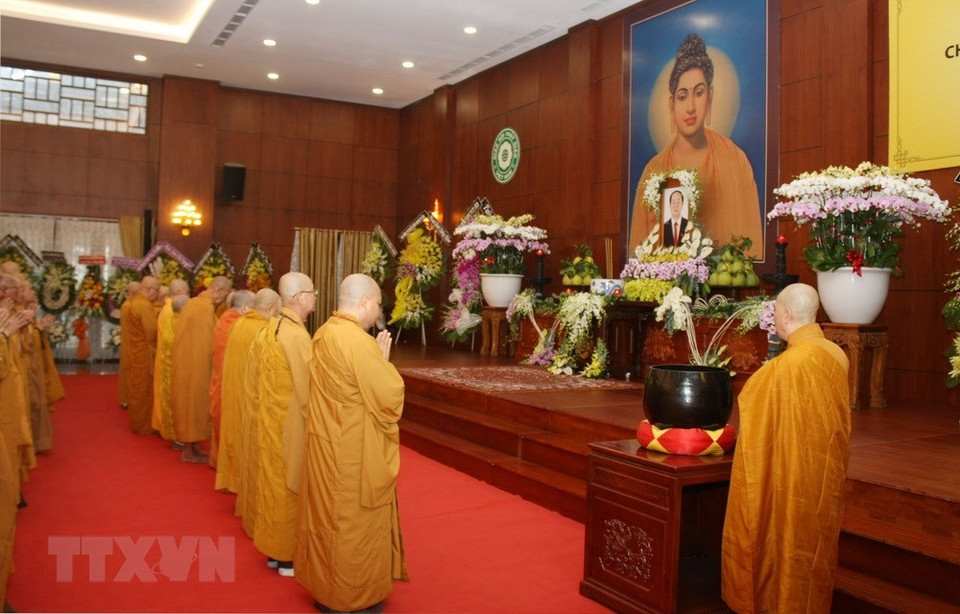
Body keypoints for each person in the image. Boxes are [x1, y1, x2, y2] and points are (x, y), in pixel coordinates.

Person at [721, 283, 851, 613]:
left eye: (776, 310)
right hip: (823, 472)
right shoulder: (837, 354)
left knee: (787, 539)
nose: (774, 317)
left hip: (790, 475)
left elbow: (754, 408)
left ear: (788, 315)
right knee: (815, 542)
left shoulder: (782, 369)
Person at [296, 273, 408, 613]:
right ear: (363, 302)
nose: (378, 309)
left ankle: (325, 589)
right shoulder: (358, 342)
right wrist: (384, 364)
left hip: (326, 443)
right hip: (353, 452)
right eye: (377, 303)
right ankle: (352, 597)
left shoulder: (324, 332)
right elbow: (389, 399)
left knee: (325, 518)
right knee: (351, 523)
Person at [629, 33, 763, 252]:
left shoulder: (735, 160)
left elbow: (752, 243)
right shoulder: (653, 171)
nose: (690, 106)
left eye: (698, 93)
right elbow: (639, 250)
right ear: (671, 104)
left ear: (709, 95)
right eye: (682, 96)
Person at [252, 273, 315, 578]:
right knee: (289, 488)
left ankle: (273, 551)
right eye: (312, 291)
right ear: (300, 297)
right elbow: (308, 388)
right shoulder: (295, 335)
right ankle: (287, 555)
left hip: (270, 419)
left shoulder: (273, 326)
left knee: (272, 485)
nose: (315, 296)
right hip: (289, 424)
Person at [217, 288, 279, 494]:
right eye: (278, 311)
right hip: (250, 394)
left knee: (233, 433)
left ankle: (231, 479)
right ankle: (244, 483)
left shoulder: (238, 323)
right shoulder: (264, 329)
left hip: (233, 390)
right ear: (270, 308)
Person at [170, 276, 232, 463]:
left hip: (186, 362)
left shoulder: (194, 303)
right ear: (219, 291)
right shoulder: (204, 308)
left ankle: (193, 446)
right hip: (196, 365)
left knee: (190, 404)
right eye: (225, 295)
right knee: (194, 405)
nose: (223, 299)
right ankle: (188, 451)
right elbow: (208, 343)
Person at [209, 290, 254, 468]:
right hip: (230, 381)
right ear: (244, 307)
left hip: (221, 378)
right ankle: (230, 464)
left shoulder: (224, 318)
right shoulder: (238, 324)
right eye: (253, 306)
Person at [152, 279, 190, 443]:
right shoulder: (173, 311)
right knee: (171, 397)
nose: (189, 295)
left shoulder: (167, 307)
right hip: (171, 361)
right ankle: (173, 432)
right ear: (181, 292)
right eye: (188, 292)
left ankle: (162, 425)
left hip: (164, 359)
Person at [122, 277, 160, 435]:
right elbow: (151, 333)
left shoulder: (135, 301)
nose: (157, 296)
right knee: (143, 389)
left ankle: (139, 422)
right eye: (157, 291)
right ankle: (143, 425)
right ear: (150, 289)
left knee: (139, 388)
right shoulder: (143, 305)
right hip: (144, 353)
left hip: (137, 351)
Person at [116, 280, 140, 408]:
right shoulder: (130, 306)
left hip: (129, 342)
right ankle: (127, 398)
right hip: (131, 343)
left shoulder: (129, 304)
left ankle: (127, 398)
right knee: (129, 371)